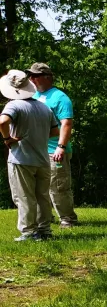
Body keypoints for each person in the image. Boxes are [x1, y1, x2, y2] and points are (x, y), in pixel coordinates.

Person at [0, 70, 60, 241]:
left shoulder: (14, 105)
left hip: (21, 159)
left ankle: (28, 232)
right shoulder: (43, 107)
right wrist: (38, 136)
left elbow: (3, 121)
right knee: (42, 196)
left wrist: (7, 138)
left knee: (24, 196)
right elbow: (55, 131)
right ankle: (44, 230)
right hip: (42, 159)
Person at [27, 63, 78, 228]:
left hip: (54, 150)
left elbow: (67, 124)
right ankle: (46, 219)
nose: (31, 79)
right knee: (39, 189)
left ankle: (68, 219)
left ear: (47, 77)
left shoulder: (60, 97)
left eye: (35, 76)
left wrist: (61, 147)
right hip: (36, 150)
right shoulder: (32, 95)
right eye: (30, 76)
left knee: (58, 186)